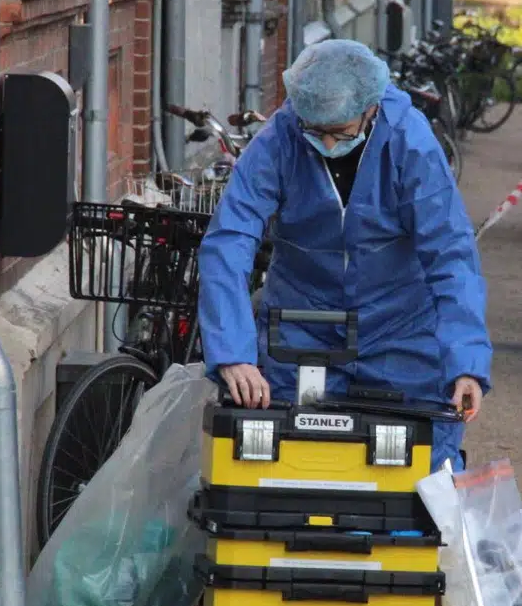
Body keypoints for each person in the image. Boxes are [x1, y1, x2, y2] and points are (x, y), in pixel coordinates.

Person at [197, 38, 493, 472]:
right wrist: (233, 353)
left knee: (422, 465)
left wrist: (466, 363)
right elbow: (230, 239)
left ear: (371, 110)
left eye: (342, 133)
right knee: (291, 463)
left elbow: (450, 253)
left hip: (399, 328)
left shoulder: (409, 140)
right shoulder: (281, 137)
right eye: (316, 132)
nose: (328, 143)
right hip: (302, 326)